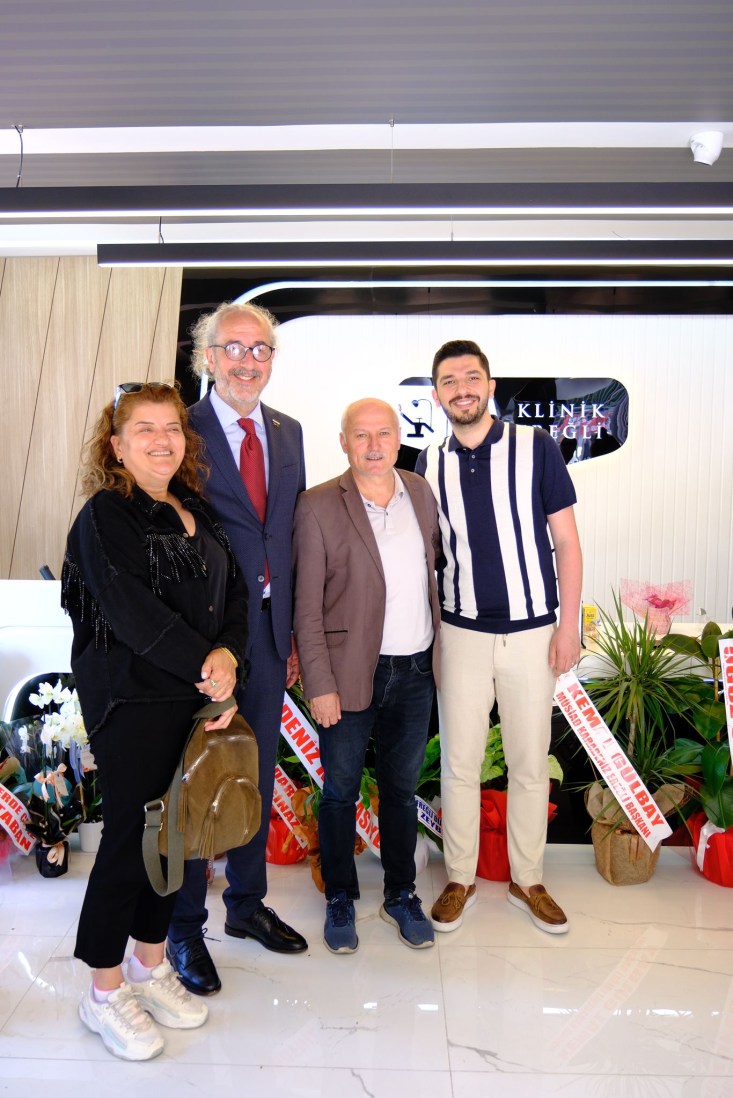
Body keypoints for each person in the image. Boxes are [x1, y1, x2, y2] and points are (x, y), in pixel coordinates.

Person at [62, 381, 247, 1060]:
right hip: (131, 700)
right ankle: (103, 990)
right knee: (129, 841)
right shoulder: (105, 515)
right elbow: (129, 611)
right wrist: (207, 664)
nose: (161, 440)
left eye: (172, 427)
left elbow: (235, 595)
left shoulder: (196, 508)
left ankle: (148, 963)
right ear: (116, 445)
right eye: (144, 429)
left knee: (174, 839)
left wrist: (228, 658)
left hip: (194, 699)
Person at [415, 340, 582, 935]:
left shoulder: (535, 447)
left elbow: (567, 543)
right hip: (460, 633)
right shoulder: (426, 463)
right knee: (459, 763)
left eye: (471, 377)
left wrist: (569, 626)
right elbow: (426, 557)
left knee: (530, 763)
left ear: (489, 385)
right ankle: (459, 877)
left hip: (534, 632)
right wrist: (433, 637)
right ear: (436, 394)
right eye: (449, 380)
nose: (461, 388)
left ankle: (527, 879)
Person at [167, 301, 307, 995]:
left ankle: (246, 905)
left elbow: (287, 534)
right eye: (234, 348)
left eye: (260, 349)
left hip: (271, 631)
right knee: (197, 777)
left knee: (255, 767)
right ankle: (183, 926)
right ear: (208, 357)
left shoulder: (289, 431)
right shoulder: (180, 431)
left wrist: (294, 634)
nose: (248, 361)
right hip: (205, 637)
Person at [292, 398, 441, 953]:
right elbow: (306, 608)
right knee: (339, 793)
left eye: (384, 434)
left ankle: (402, 894)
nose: (374, 446)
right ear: (344, 442)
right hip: (350, 673)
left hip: (416, 669)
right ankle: (339, 896)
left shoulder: (419, 492)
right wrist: (320, 685)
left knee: (401, 792)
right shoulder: (317, 505)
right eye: (362, 435)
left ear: (399, 439)